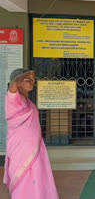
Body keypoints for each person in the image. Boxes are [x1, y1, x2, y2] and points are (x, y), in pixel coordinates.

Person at [3, 68, 59, 199]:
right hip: (20, 148)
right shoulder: (11, 98)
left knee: (36, 175)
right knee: (23, 175)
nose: (32, 82)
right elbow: (13, 85)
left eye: (33, 80)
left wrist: (28, 76)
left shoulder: (27, 101)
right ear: (19, 82)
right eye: (28, 80)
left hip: (34, 146)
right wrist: (27, 74)